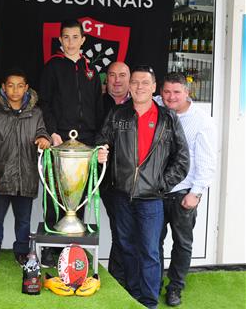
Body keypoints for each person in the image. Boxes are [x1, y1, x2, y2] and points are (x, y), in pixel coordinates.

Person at [96, 65, 190, 309]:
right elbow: (101, 142)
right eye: (135, 82)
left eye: (144, 83)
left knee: (149, 251)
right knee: (126, 246)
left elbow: (182, 159)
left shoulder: (167, 118)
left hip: (151, 198)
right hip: (121, 195)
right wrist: (100, 152)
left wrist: (161, 185)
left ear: (153, 87)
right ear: (129, 86)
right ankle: (133, 295)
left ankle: (148, 301)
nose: (139, 87)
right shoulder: (117, 114)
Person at [39, 19, 104, 267]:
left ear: (83, 40)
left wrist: (98, 140)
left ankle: (74, 247)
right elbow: (44, 102)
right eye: (66, 37)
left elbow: (98, 107)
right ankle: (50, 248)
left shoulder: (91, 69)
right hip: (60, 140)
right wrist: (53, 132)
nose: (70, 42)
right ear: (60, 40)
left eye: (75, 37)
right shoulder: (53, 66)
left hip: (85, 142)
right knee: (56, 194)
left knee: (81, 193)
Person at [158, 72, 217, 307]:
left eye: (176, 92)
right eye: (166, 92)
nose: (171, 97)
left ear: (187, 92)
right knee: (154, 241)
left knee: (182, 243)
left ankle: (175, 288)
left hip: (184, 193)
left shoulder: (201, 120)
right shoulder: (157, 106)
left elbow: (207, 160)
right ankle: (153, 282)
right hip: (157, 190)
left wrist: (197, 192)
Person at [0, 68, 51, 267]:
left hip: (26, 175)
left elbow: (42, 131)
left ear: (26, 88)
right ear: (3, 88)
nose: (15, 90)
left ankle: (22, 251)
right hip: (2, 176)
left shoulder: (36, 112)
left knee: (23, 219)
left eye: (20, 86)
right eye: (10, 85)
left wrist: (43, 139)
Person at [100, 61, 131, 286]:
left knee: (129, 231)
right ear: (106, 79)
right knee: (120, 229)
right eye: (112, 75)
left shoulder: (139, 104)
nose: (117, 80)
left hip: (136, 180)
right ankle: (117, 277)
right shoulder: (97, 103)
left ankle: (125, 275)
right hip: (106, 179)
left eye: (122, 75)